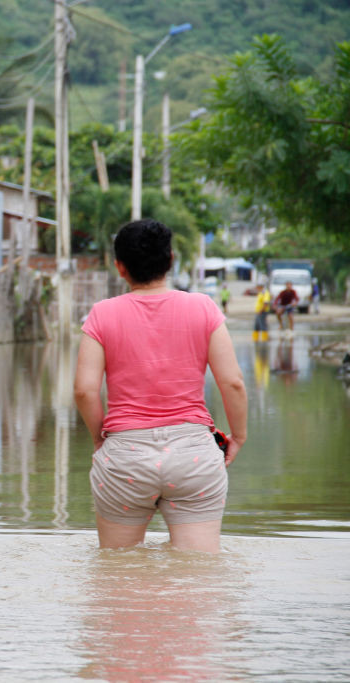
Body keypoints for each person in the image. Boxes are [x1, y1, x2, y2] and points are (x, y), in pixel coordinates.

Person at [73, 219, 248, 553]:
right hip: (193, 458)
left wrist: (100, 437)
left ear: (119, 267)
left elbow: (84, 390)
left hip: (124, 459)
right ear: (170, 260)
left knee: (117, 570)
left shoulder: (101, 314)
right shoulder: (203, 308)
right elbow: (233, 383)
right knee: (198, 574)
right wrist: (238, 436)